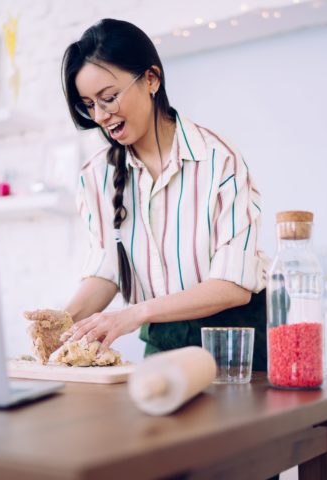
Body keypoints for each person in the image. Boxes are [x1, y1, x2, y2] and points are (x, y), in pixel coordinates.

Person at [60, 18, 268, 371]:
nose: (101, 115)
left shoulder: (219, 160)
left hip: (237, 346)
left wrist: (133, 314)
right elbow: (106, 271)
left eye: (109, 97)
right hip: (162, 345)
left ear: (151, 78)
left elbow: (234, 285)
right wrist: (60, 322)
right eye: (89, 105)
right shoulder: (95, 176)